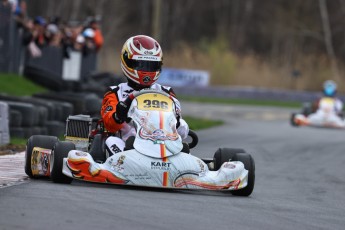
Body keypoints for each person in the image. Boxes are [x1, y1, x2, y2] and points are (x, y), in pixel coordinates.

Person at [101, 35, 189, 156]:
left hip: (163, 146)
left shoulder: (166, 92)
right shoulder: (115, 92)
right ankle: (123, 166)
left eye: (151, 66)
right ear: (127, 62)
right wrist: (118, 115)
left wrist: (177, 122)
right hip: (129, 148)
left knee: (184, 146)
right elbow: (109, 125)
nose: (146, 70)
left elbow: (182, 132)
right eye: (141, 64)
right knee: (111, 140)